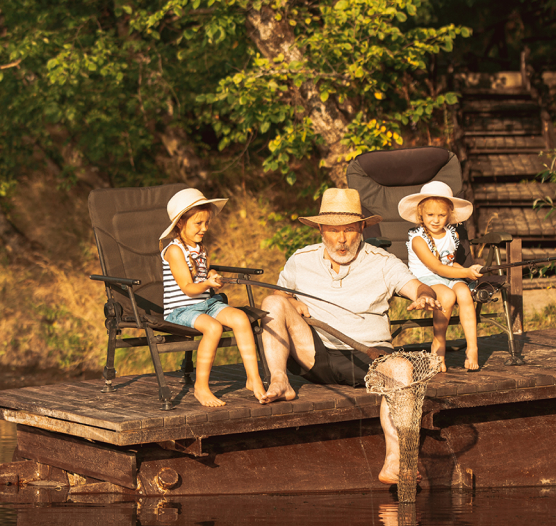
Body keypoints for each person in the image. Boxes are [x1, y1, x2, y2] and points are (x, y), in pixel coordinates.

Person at [259, 187, 442, 483]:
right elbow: (275, 302)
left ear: (361, 228)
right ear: (320, 229)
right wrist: (291, 302)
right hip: (314, 353)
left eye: (348, 230)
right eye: (333, 230)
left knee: (401, 369)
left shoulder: (382, 262)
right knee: (272, 303)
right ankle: (280, 381)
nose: (341, 239)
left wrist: (424, 296)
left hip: (367, 357)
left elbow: (417, 286)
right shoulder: (300, 260)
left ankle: (395, 462)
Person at [159, 187, 267, 406]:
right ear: (180, 223)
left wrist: (212, 275)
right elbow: (188, 287)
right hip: (181, 310)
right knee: (213, 328)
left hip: (206, 303)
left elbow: (202, 273)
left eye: (206, 223)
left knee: (240, 318)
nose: (204, 228)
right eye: (198, 223)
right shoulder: (174, 251)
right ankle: (201, 387)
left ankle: (253, 378)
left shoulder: (201, 248)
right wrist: (206, 283)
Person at [397, 181, 483, 372]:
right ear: (421, 214)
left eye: (441, 215)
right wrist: (464, 272)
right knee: (447, 296)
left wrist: (470, 272)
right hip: (426, 278)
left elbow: (449, 263)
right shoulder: (418, 239)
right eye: (430, 215)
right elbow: (436, 267)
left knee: (464, 294)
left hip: (447, 275)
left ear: (449, 215)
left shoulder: (452, 235)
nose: (435, 220)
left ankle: (472, 347)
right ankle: (439, 344)